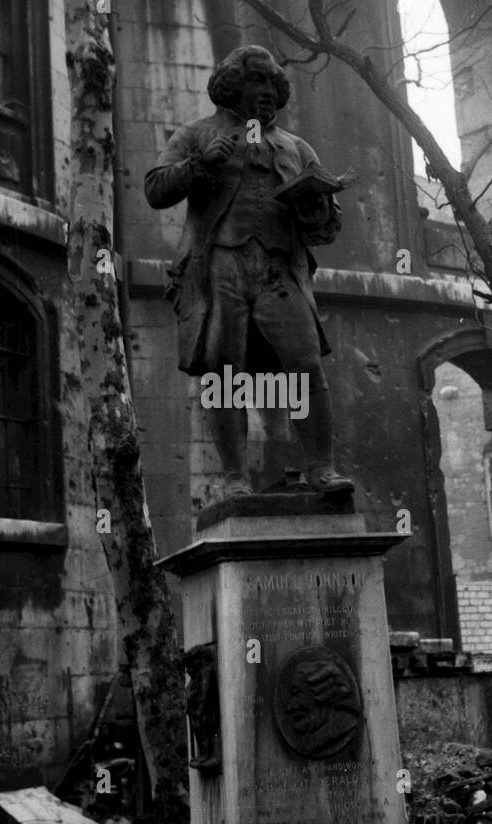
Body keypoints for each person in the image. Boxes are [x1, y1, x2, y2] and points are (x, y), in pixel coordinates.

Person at [144, 45, 353, 497]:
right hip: (220, 266)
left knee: (304, 364)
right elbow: (155, 189)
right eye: (256, 82)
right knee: (224, 372)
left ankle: (322, 469)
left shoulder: (296, 148)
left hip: (280, 270)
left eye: (272, 84)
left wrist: (315, 207)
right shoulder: (198, 134)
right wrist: (200, 166)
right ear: (232, 86)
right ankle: (235, 478)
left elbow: (327, 229)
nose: (266, 92)